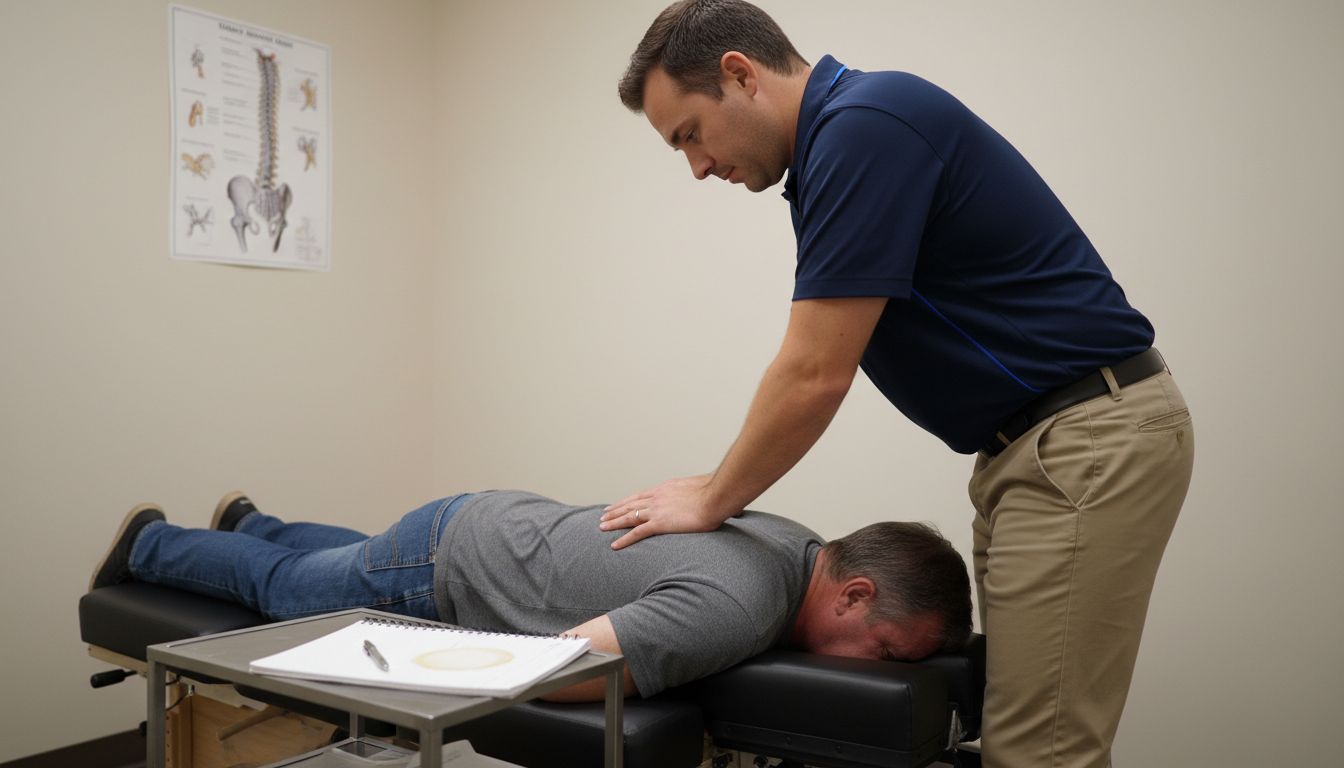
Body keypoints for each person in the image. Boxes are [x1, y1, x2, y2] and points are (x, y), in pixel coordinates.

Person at [606, 2, 1195, 765]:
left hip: (1082, 440)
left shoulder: (864, 126)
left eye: (689, 133)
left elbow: (815, 372)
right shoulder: (842, 141)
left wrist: (714, 497)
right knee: (1022, 732)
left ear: (739, 74)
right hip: (1036, 450)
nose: (696, 166)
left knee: (1038, 751)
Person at [91, 490, 971, 702]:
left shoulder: (794, 542)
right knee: (292, 594)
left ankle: (254, 519)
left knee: (352, 560)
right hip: (452, 568)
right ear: (853, 593)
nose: (881, 673)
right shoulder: (739, 605)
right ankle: (153, 543)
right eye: (887, 654)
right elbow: (561, 672)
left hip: (497, 525)